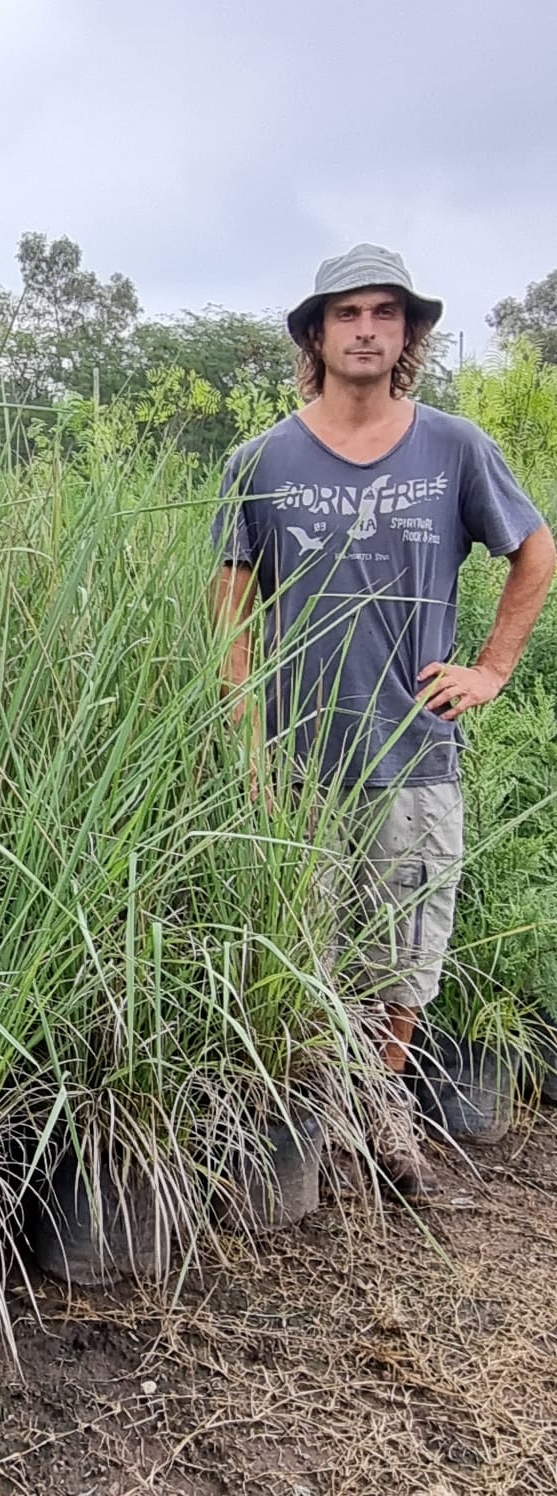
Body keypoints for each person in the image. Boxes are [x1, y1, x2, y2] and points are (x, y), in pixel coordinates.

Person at [212, 243, 555, 1197]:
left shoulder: (454, 446)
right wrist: (247, 737)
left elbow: (534, 552)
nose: (367, 329)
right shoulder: (261, 459)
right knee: (295, 949)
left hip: (414, 751)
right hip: (295, 758)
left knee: (404, 955)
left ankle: (379, 1109)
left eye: (385, 314)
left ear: (407, 335)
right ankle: (308, 1118)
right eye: (348, 312)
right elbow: (232, 612)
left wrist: (491, 669)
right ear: (315, 334)